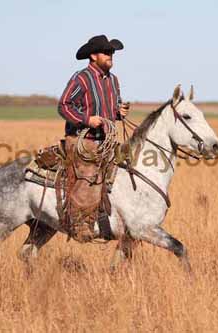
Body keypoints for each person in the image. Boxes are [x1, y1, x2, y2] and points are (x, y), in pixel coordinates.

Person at [57, 35, 131, 242]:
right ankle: (80, 223)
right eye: (106, 52)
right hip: (82, 139)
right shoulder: (82, 78)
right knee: (89, 174)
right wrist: (86, 119)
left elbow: (112, 110)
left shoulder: (113, 80)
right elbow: (64, 105)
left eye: (112, 53)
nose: (111, 56)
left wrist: (119, 112)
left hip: (106, 141)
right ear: (93, 55)